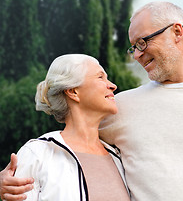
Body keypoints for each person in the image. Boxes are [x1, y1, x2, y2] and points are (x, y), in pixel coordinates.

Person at [0, 2, 183, 201]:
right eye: (133, 47)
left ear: (177, 32)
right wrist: (3, 184)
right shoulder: (119, 107)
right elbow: (68, 141)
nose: (136, 54)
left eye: (143, 43)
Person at [2, 54, 130, 201]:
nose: (113, 85)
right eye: (100, 77)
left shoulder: (119, 158)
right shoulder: (37, 154)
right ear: (73, 91)